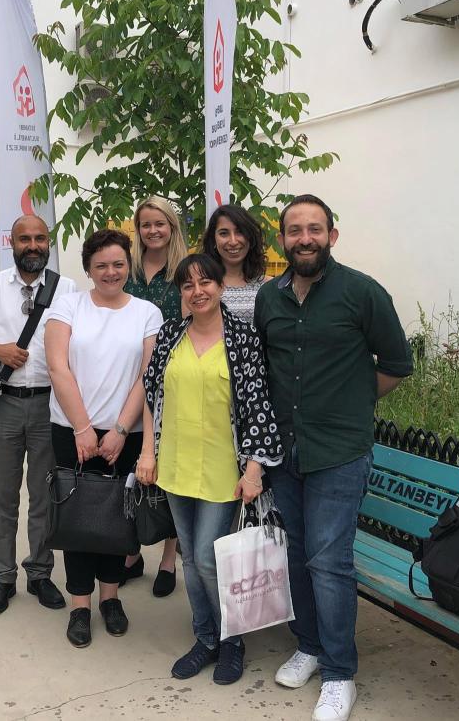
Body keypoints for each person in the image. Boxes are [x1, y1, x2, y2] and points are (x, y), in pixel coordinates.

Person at [254, 195, 413, 721]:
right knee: (297, 553)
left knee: (329, 562)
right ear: (282, 239)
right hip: (285, 449)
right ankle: (310, 645)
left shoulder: (362, 293)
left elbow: (396, 363)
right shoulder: (270, 297)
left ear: (332, 236)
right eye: (295, 230)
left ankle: (340, 673)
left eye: (315, 229)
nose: (305, 238)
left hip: (339, 451)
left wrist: (353, 402)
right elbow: (267, 364)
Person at [137, 253, 283, 685]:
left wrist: (254, 469)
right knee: (189, 556)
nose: (197, 291)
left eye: (205, 283)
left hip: (222, 470)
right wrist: (147, 454)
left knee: (206, 557)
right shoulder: (171, 334)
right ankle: (205, 638)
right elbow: (152, 395)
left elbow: (259, 406)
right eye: (188, 285)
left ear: (220, 287)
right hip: (175, 465)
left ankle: (231, 641)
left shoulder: (243, 338)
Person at [45, 228, 163, 648]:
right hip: (70, 430)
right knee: (76, 518)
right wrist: (82, 428)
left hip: (124, 434)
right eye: (101, 265)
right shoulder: (68, 306)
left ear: (128, 265)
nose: (111, 272)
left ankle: (110, 598)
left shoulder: (147, 312)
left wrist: (119, 430)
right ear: (88, 269)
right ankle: (80, 605)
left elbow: (148, 374)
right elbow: (57, 366)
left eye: (118, 264)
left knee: (117, 518)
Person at [0, 215, 77, 617]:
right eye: (25, 238)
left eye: (40, 238)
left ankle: (40, 573)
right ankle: (2, 577)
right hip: (3, 404)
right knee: (2, 497)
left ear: (48, 243)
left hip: (50, 406)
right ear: (12, 242)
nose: (33, 245)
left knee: (44, 495)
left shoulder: (66, 290)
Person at [123, 195, 187, 596]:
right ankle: (131, 554)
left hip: (172, 381)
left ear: (172, 227)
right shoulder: (125, 268)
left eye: (160, 223)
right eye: (146, 224)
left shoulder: (185, 271)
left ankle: (167, 558)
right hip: (125, 378)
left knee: (167, 470)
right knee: (130, 465)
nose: (153, 230)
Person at [201, 204, 268, 323]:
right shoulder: (198, 285)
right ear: (213, 239)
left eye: (240, 232)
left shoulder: (269, 286)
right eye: (224, 233)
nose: (233, 241)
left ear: (250, 237)